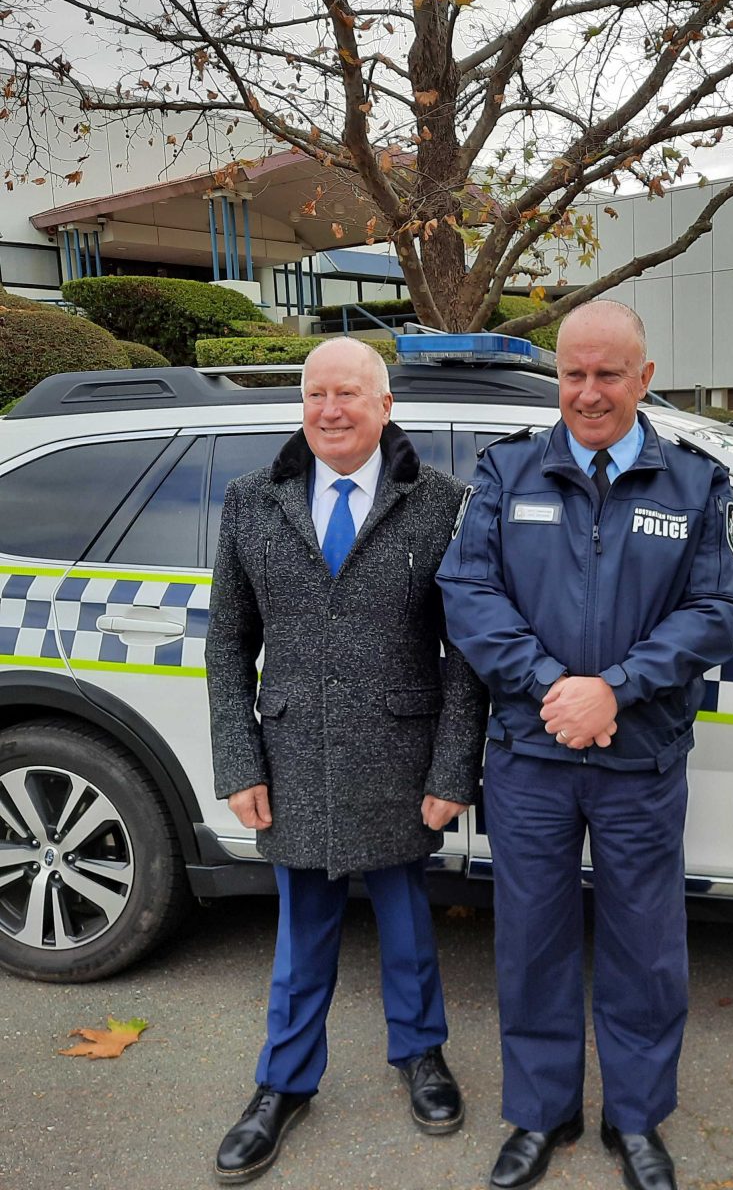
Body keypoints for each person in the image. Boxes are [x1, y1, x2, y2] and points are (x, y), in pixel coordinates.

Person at [436, 300, 733, 1190]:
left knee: (644, 948)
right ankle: (541, 1114)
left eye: (609, 374)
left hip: (639, 757)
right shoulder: (509, 474)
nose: (589, 392)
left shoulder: (694, 483)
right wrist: (550, 687)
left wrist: (615, 687)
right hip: (531, 757)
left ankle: (638, 1119)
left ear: (645, 378)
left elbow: (714, 611)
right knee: (530, 940)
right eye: (573, 373)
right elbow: (469, 595)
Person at [206, 336, 488, 1183]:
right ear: (303, 405)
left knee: (406, 925)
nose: (331, 410)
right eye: (317, 394)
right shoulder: (254, 502)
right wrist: (236, 759)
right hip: (291, 753)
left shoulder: (440, 503)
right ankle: (282, 1084)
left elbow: (465, 654)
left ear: (385, 405)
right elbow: (228, 641)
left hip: (400, 751)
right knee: (301, 934)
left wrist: (451, 769)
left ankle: (422, 1056)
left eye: (350, 395)